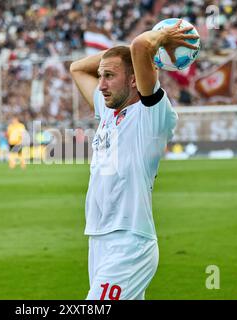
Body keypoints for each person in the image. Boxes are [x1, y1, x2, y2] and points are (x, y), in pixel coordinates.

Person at [70, 20, 198, 300]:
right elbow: (77, 68)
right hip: (100, 238)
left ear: (133, 79)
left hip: (130, 240)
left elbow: (141, 46)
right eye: (100, 76)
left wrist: (161, 39)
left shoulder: (152, 115)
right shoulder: (108, 111)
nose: (100, 85)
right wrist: (123, 55)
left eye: (109, 76)